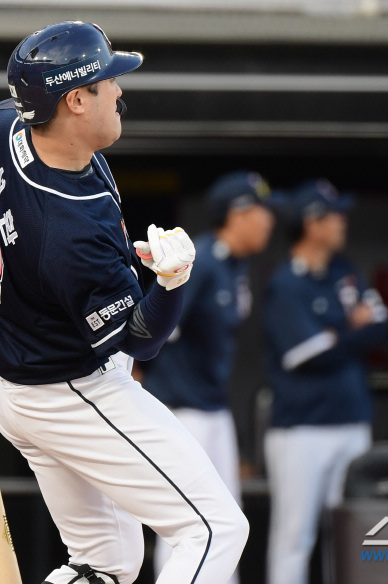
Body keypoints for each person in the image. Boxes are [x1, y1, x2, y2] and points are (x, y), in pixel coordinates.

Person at [0, 21, 248, 584]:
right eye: (106, 82)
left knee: (107, 563)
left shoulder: (0, 124)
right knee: (215, 529)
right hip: (69, 389)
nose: (119, 90)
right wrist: (173, 281)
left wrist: (2, 298)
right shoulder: (68, 231)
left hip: (12, 372)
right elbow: (142, 340)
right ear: (75, 100)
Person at [144, 171, 275, 584]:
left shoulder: (235, 266)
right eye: (261, 210)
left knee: (227, 520)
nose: (269, 220)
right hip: (180, 411)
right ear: (236, 214)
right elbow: (151, 333)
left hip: (212, 408)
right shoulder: (199, 261)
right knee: (187, 522)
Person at [263, 179, 388, 584]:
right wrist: (350, 331)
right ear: (312, 223)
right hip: (302, 429)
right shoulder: (286, 283)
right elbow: (305, 354)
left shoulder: (345, 272)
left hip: (352, 420)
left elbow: (381, 326)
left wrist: (335, 335)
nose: (342, 223)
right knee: (295, 537)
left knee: (350, 533)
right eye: (334, 216)